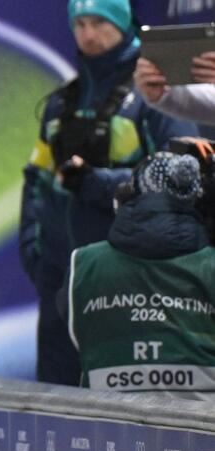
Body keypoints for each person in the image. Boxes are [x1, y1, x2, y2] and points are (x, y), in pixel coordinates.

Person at [19, 0, 196, 386]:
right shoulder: (60, 103)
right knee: (56, 402)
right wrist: (35, 251)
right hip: (61, 283)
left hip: (129, 286)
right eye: (80, 23)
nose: (88, 34)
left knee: (118, 409)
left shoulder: (157, 95)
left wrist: (96, 183)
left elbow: (184, 180)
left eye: (99, 22)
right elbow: (36, 180)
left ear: (123, 22)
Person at [64, 152, 215, 398]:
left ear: (128, 197)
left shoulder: (83, 264)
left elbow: (73, 336)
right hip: (202, 420)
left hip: (104, 418)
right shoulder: (209, 265)